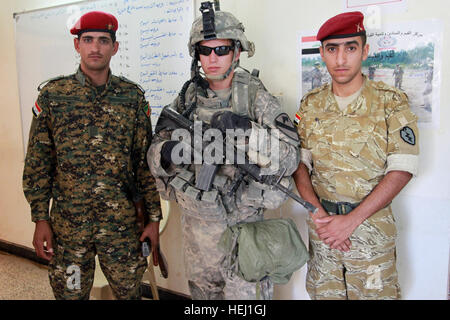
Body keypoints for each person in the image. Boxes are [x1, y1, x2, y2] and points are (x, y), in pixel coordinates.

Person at [147, 2, 300, 300]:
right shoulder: (187, 98)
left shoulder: (255, 96)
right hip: (197, 232)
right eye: (205, 51)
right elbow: (153, 157)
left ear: (237, 52)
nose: (212, 59)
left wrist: (247, 132)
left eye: (221, 50)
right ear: (197, 56)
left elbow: (290, 157)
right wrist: (169, 150)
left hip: (243, 233)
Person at [22, 11, 162, 300]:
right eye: (87, 40)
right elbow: (38, 164)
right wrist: (40, 218)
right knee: (71, 295)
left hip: (122, 228)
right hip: (69, 228)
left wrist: (153, 219)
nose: (95, 48)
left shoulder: (132, 99)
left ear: (115, 46)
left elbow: (144, 165)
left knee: (129, 294)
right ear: (77, 46)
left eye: (103, 40)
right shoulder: (53, 96)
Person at [293, 11, 419, 300]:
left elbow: (402, 169)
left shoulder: (390, 102)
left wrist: (350, 221)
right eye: (332, 49)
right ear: (322, 54)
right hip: (323, 232)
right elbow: (300, 166)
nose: (340, 59)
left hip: (370, 234)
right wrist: (320, 216)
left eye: (350, 48)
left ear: (365, 51)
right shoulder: (310, 106)